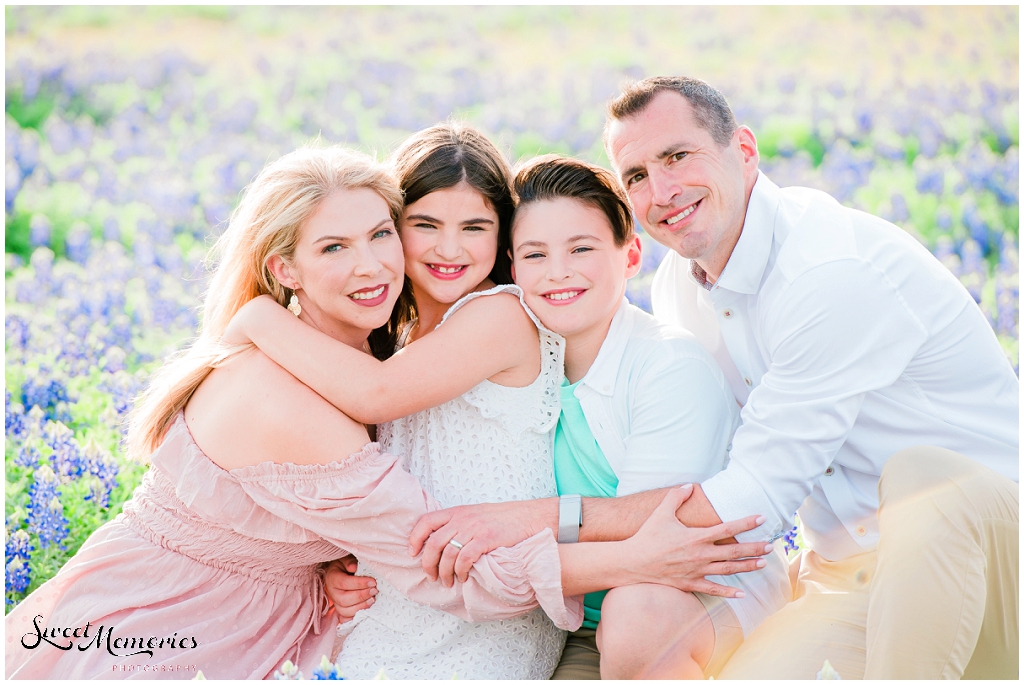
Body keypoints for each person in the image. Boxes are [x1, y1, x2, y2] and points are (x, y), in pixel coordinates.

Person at [4, 145, 586, 680]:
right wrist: (639, 550)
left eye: (380, 234)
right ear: (284, 269)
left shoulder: (386, 355)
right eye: (334, 247)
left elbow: (327, 506)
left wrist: (325, 566)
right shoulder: (289, 390)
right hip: (160, 631)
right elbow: (445, 566)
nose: (371, 266)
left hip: (258, 626)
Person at [227, 124, 771, 679]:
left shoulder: (501, 317)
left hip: (516, 607)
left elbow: (375, 397)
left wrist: (256, 315)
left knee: (631, 616)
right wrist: (342, 561)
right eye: (424, 225)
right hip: (436, 596)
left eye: (475, 227)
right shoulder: (404, 341)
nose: (449, 247)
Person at [606, 76, 1019, 679]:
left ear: (743, 151)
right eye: (636, 176)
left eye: (676, 156)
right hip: (851, 576)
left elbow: (755, 493)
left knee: (922, 478)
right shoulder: (677, 289)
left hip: (999, 550)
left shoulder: (826, 270)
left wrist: (558, 525)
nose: (660, 190)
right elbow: (714, 469)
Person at [507, 155, 791, 678]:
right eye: (535, 254)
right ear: (512, 268)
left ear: (631, 254)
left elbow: (654, 552)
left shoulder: (668, 364)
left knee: (635, 613)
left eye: (581, 249)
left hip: (693, 601)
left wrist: (503, 547)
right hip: (570, 612)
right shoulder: (509, 363)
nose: (558, 271)